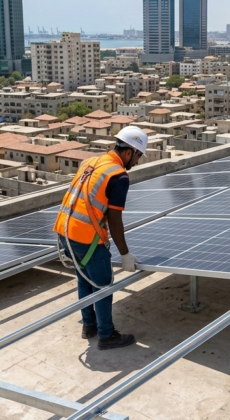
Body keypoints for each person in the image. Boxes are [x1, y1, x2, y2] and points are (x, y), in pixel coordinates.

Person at [53, 126, 147, 350]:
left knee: (85, 281)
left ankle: (89, 326)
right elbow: (115, 220)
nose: (136, 162)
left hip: (64, 232)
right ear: (128, 152)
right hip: (86, 239)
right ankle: (106, 335)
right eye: (138, 157)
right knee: (103, 286)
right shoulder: (118, 176)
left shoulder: (91, 162)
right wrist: (124, 254)